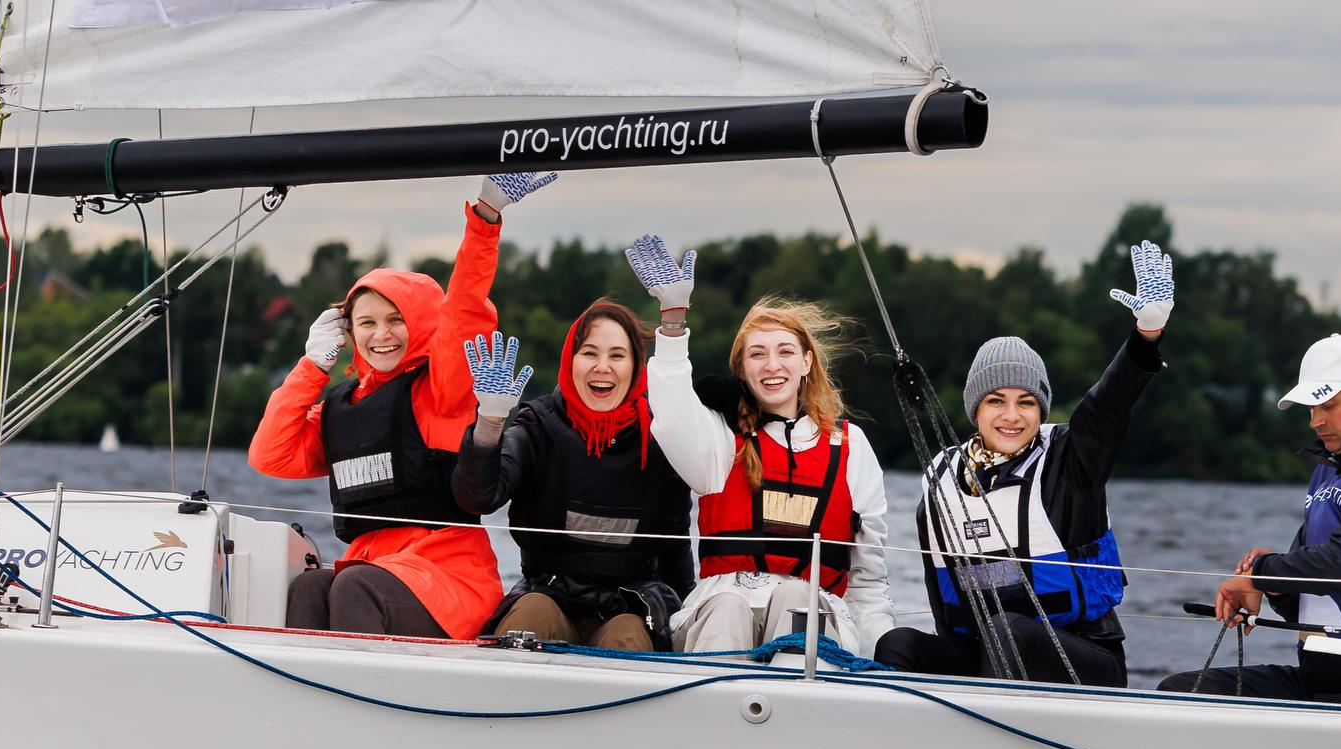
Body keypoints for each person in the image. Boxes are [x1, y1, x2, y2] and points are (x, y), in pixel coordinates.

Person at [248, 172, 555, 638]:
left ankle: (367, 703)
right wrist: (311, 368)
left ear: (422, 324)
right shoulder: (340, 407)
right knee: (309, 590)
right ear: (349, 332)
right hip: (372, 567)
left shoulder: (442, 389)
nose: (381, 334)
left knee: (353, 588)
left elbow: (465, 311)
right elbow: (270, 455)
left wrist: (485, 219)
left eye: (396, 319)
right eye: (366, 322)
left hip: (447, 578)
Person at [869, 241, 1177, 686]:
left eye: (1026, 402)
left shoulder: (1070, 462)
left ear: (1041, 409)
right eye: (996, 401)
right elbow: (943, 598)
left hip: (1084, 657)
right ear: (976, 409)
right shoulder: (940, 479)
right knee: (897, 644)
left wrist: (1145, 338)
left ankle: (993, 742)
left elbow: (1106, 408)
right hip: (984, 656)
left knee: (1007, 631)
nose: (1011, 416)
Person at [1156, 332, 1341, 710]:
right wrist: (1277, 589)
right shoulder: (1329, 470)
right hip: (1320, 680)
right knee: (1182, 692)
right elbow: (1312, 595)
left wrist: (1262, 573)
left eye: (1329, 405)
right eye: (1310, 409)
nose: (1316, 421)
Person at [625, 234, 895, 655]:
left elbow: (868, 581)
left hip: (814, 617)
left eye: (785, 352)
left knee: (795, 600)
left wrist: (885, 649)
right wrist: (673, 322)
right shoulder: (720, 438)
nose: (772, 366)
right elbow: (673, 414)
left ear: (807, 362)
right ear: (742, 369)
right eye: (757, 355)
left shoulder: (851, 447)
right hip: (720, 607)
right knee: (729, 608)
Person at [451, 300, 693, 649]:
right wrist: (489, 422)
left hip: (630, 607)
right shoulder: (538, 424)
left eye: (617, 356)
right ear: (570, 360)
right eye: (590, 353)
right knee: (532, 614)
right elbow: (477, 497)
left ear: (636, 366)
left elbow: (675, 543)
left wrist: (685, 619)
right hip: (547, 595)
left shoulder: (660, 436)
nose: (602, 367)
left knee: (628, 637)